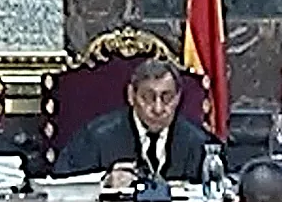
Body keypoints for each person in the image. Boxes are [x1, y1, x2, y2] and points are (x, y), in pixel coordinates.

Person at [54, 59, 214, 184]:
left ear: (178, 98)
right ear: (131, 95)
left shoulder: (199, 143)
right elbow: (61, 185)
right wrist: (104, 182)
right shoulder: (95, 138)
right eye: (148, 97)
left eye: (167, 98)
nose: (158, 108)